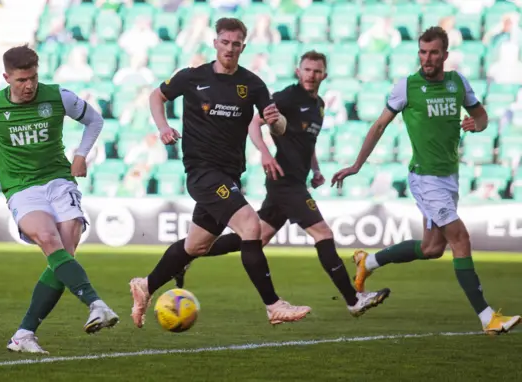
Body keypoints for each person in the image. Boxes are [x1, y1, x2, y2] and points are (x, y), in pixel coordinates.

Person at [331, 27, 520, 335]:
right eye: (422, 51)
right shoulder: (407, 86)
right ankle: (488, 317)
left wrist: (478, 125)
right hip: (425, 178)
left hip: (449, 177)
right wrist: (356, 165)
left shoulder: (458, 82)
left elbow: (482, 116)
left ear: (445, 55)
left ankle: (369, 261)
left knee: (433, 248)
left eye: (433, 52)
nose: (427, 58)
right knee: (461, 239)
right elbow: (379, 125)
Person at [173, 51, 391, 317]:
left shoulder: (319, 104)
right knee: (322, 233)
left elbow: (306, 142)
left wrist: (316, 168)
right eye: (307, 70)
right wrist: (264, 153)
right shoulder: (288, 97)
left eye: (317, 71)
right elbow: (255, 123)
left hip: (296, 179)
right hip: (284, 181)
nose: (312, 75)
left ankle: (186, 257)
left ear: (324, 74)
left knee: (254, 239)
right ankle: (353, 299)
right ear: (299, 72)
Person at [128, 18, 311, 328]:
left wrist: (275, 120)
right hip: (203, 172)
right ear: (215, 43)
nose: (229, 48)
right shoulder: (191, 77)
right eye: (224, 42)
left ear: (243, 46)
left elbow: (277, 126)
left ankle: (145, 285)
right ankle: (273, 305)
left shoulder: (253, 84)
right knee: (251, 226)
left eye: (236, 43)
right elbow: (156, 96)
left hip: (230, 174)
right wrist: (162, 127)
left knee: (197, 246)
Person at [0, 44, 119, 354]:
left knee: (64, 257)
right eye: (21, 80)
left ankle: (24, 334)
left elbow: (95, 121)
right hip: (22, 188)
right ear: (6, 77)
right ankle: (95, 303)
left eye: (33, 78)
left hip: (60, 182)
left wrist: (80, 155)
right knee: (50, 240)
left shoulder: (58, 96)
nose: (29, 86)